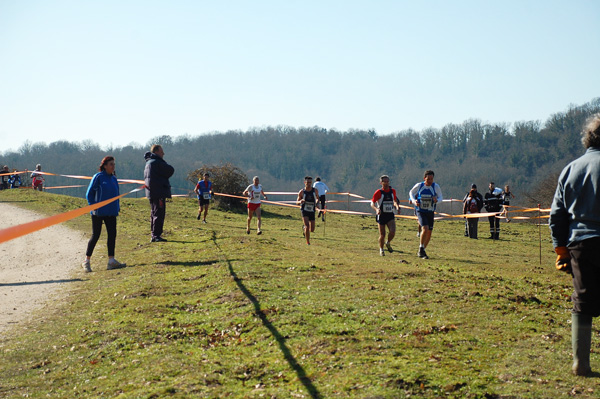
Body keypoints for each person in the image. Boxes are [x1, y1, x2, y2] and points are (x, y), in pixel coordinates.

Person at [549, 113, 600, 376]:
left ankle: (581, 362)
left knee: (582, 300)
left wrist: (561, 250)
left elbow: (556, 216)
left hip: (580, 243)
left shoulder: (571, 169)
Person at [82, 156, 126, 272]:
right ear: (105, 165)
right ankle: (87, 261)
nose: (113, 166)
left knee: (112, 235)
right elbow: (89, 194)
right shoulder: (98, 177)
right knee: (95, 235)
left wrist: (117, 207)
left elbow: (116, 195)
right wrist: (94, 206)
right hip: (98, 212)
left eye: (114, 164)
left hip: (111, 212)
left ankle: (111, 261)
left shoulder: (114, 178)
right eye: (111, 164)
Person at [144, 145, 175, 242]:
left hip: (151, 192)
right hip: (159, 192)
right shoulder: (157, 162)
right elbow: (170, 170)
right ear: (156, 152)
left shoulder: (148, 163)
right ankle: (156, 235)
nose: (163, 154)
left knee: (153, 213)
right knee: (159, 213)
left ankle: (154, 233)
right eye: (162, 152)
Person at [409, 170, 443, 259]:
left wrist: (437, 200)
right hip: (420, 211)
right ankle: (421, 247)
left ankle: (422, 250)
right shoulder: (419, 185)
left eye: (432, 179)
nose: (430, 181)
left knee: (429, 232)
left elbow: (441, 197)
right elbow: (411, 192)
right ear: (424, 178)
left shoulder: (435, 186)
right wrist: (414, 201)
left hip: (430, 211)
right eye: (428, 179)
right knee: (425, 228)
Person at [371, 175, 400, 256]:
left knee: (393, 232)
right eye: (384, 182)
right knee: (382, 234)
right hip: (381, 215)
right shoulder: (378, 192)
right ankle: (381, 249)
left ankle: (388, 242)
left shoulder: (392, 191)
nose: (386, 183)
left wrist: (397, 207)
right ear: (381, 183)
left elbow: (394, 200)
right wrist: (376, 209)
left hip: (390, 215)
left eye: (388, 181)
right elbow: (372, 203)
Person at [297, 176, 320, 245]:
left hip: (312, 210)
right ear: (304, 182)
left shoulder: (315, 191)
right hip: (304, 210)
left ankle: (304, 229)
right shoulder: (302, 192)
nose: (308, 184)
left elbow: (317, 198)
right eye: (307, 182)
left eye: (310, 182)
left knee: (312, 229)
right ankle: (308, 242)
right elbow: (297, 202)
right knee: (307, 225)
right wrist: (300, 201)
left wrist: (317, 202)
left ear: (311, 183)